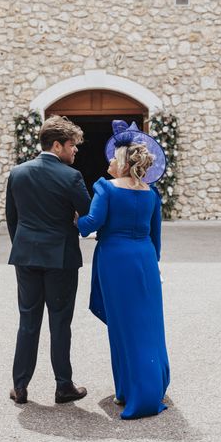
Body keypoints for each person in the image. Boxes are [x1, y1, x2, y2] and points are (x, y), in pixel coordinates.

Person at [77, 120, 170, 420]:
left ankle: (131, 392)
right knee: (147, 325)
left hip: (115, 260)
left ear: (120, 160)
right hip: (143, 259)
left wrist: (74, 218)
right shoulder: (150, 193)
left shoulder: (105, 188)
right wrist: (151, 267)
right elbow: (156, 239)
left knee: (123, 327)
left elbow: (90, 225)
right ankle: (143, 387)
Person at [6, 115, 91, 405]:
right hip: (61, 258)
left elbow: (12, 220)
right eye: (72, 145)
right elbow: (88, 215)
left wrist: (25, 245)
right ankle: (63, 386)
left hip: (26, 256)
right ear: (57, 145)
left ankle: (20, 387)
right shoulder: (71, 177)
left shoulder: (17, 173)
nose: (76, 151)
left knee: (28, 321)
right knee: (59, 323)